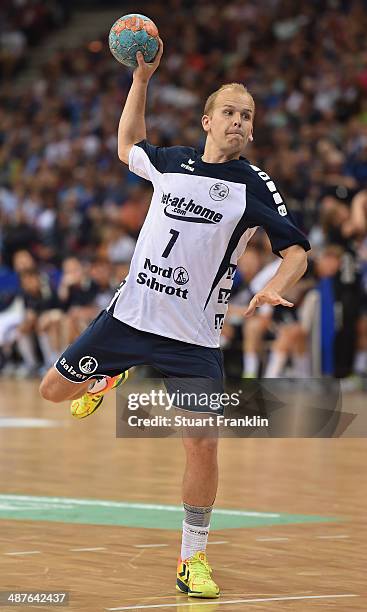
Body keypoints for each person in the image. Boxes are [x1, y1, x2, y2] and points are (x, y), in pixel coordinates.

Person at [39, 39, 310, 599]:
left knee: (203, 442)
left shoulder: (254, 187)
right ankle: (111, 374)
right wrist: (141, 80)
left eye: (247, 116)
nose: (238, 121)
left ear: (251, 130)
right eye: (230, 112)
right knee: (51, 392)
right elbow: (126, 144)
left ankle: (193, 558)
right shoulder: (172, 163)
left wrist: (275, 290)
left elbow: (298, 252)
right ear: (207, 120)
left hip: (191, 339)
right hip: (131, 316)